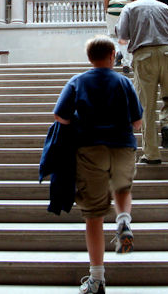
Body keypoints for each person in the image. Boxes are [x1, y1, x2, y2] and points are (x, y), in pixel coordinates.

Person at [53, 35, 143, 294]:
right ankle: (124, 219)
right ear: (113, 55)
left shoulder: (78, 81)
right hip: (123, 145)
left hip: (90, 148)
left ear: (89, 58)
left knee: (94, 215)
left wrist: (76, 122)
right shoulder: (124, 82)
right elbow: (137, 122)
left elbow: (60, 115)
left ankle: (97, 279)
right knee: (122, 187)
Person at [116, 0, 168, 165]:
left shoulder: (130, 8)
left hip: (143, 56)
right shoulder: (165, 7)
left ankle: (152, 154)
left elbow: (122, 36)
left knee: (146, 106)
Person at [101, 0, 134, 73]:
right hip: (127, 12)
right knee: (127, 38)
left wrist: (106, 9)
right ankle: (126, 63)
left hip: (113, 12)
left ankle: (119, 51)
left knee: (113, 35)